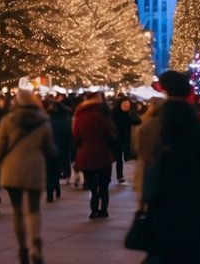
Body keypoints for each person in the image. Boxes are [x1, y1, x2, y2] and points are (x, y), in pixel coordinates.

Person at [145, 70, 200, 264]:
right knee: (191, 248)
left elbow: (146, 158)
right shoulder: (197, 124)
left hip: (163, 194)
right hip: (193, 194)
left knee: (165, 249)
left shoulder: (156, 122)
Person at [0, 89, 56, 264]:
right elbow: (50, 148)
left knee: (18, 211)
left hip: (12, 169)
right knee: (34, 209)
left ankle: (23, 249)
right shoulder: (44, 121)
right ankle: (36, 243)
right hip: (35, 168)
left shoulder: (7, 120)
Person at [71, 91, 115, 220]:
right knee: (104, 185)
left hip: (86, 153)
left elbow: (75, 136)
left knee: (92, 186)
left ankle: (94, 210)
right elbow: (110, 134)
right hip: (103, 153)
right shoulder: (104, 115)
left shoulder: (80, 115)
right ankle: (104, 210)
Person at [45, 101, 71, 203]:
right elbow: (69, 139)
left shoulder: (45, 123)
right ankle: (56, 187)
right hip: (61, 150)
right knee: (56, 171)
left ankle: (50, 193)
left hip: (47, 151)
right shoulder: (65, 123)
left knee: (48, 172)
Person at [112, 97, 139, 183]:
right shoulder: (114, 113)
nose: (126, 106)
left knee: (121, 157)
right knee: (117, 157)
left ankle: (120, 175)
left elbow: (138, 121)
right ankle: (118, 175)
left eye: (128, 105)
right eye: (124, 105)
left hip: (126, 138)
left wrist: (133, 113)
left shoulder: (129, 114)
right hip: (116, 138)